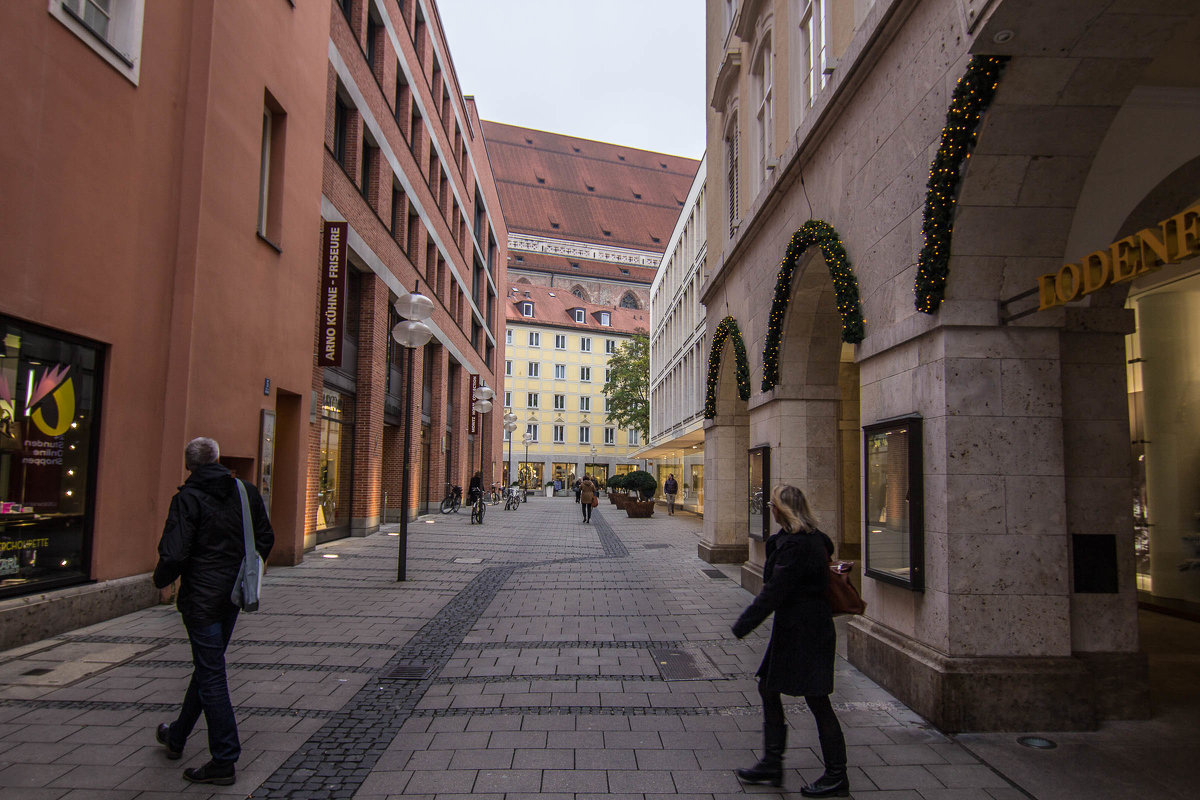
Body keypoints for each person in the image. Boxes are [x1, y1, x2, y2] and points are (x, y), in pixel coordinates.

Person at [153, 437, 273, 786]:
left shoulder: (187, 499)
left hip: (201, 600)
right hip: (232, 597)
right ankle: (176, 737)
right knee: (208, 667)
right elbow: (265, 536)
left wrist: (161, 579)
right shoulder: (244, 492)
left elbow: (174, 553)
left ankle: (224, 757)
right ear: (218, 459)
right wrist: (245, 569)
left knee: (211, 674)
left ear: (189, 466)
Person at [731, 484, 847, 797]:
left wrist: (744, 624)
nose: (769, 508)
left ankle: (837, 775)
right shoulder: (801, 541)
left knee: (817, 699)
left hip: (806, 630)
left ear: (781, 509)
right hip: (797, 627)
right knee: (768, 688)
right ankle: (772, 762)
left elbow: (774, 589)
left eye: (772, 505)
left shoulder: (798, 546)